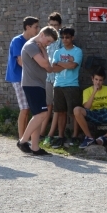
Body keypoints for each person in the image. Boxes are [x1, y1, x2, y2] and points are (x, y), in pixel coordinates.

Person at [16, 26, 59, 156]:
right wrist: (43, 51)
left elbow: (50, 69)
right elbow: (45, 65)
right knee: (42, 114)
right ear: (42, 35)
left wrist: (44, 50)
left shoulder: (39, 48)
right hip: (32, 85)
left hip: (39, 85)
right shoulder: (31, 46)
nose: (48, 44)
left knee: (38, 115)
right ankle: (23, 141)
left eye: (51, 42)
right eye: (48, 41)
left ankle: (35, 147)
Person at [49, 27, 83, 149]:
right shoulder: (57, 52)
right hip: (58, 85)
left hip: (72, 85)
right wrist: (66, 65)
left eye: (67, 37)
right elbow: (53, 68)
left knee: (73, 113)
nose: (65, 39)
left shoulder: (77, 51)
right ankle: (61, 137)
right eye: (62, 37)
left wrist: (60, 63)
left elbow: (74, 65)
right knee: (60, 112)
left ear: (72, 38)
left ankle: (75, 136)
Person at [6, 16, 40, 139]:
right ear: (28, 27)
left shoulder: (31, 42)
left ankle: (25, 138)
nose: (37, 29)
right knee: (24, 109)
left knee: (29, 109)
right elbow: (20, 61)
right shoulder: (17, 41)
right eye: (35, 27)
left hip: (28, 78)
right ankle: (22, 139)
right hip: (18, 78)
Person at [42, 11, 63, 141]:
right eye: (51, 25)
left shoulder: (62, 39)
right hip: (47, 76)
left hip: (58, 76)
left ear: (60, 25)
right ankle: (41, 132)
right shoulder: (46, 39)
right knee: (47, 104)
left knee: (57, 107)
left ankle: (50, 134)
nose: (54, 27)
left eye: (56, 25)